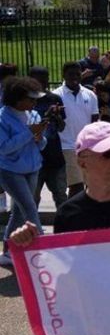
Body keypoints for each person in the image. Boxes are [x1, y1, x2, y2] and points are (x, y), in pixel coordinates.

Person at [8, 122, 110, 247]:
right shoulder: (68, 215)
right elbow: (64, 270)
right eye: (108, 154)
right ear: (82, 162)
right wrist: (30, 246)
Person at [0, 77, 47, 267]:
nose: (35, 102)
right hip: (10, 170)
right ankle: (44, 249)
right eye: (31, 99)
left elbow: (41, 145)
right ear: (17, 99)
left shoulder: (33, 115)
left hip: (32, 168)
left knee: (19, 212)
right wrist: (29, 133)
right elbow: (4, 148)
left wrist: (39, 137)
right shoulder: (2, 118)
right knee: (29, 208)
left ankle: (8, 251)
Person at [54, 62, 99, 197]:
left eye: (77, 74)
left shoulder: (90, 95)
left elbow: (94, 120)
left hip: (87, 147)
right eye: (70, 74)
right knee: (76, 186)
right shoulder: (56, 95)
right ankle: (74, 210)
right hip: (67, 146)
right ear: (63, 75)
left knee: (91, 185)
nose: (74, 77)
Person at [28, 67, 67, 208]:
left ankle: (64, 221)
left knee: (61, 196)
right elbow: (30, 129)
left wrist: (57, 117)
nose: (42, 84)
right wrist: (46, 116)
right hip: (33, 159)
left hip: (54, 157)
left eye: (45, 80)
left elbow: (61, 127)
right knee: (32, 199)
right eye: (38, 81)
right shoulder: (25, 101)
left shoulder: (55, 99)